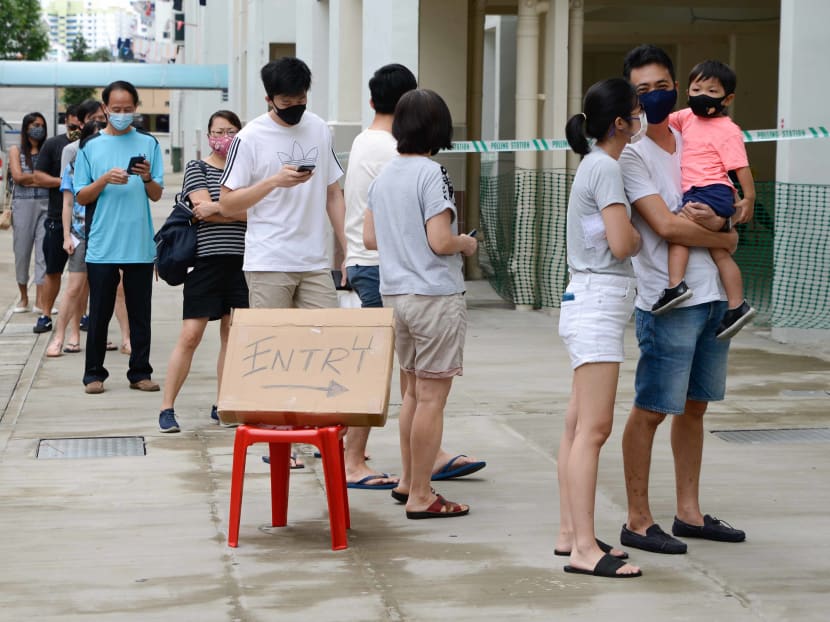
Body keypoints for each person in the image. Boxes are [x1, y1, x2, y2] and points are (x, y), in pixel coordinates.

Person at [617, 44, 746, 555]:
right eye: (642, 89)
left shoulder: (697, 134)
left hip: (716, 298)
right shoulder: (631, 155)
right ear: (632, 96)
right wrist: (725, 238)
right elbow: (667, 224)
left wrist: (730, 222)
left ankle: (689, 513)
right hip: (668, 301)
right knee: (651, 409)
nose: (655, 95)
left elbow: (736, 205)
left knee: (694, 409)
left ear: (678, 85)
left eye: (661, 85)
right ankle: (638, 518)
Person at [344, 63, 486, 490]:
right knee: (432, 399)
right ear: (438, 129)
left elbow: (369, 236)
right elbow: (441, 241)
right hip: (433, 296)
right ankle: (421, 492)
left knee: (410, 394)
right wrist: (466, 243)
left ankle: (409, 481)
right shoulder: (432, 173)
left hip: (394, 294)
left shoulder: (385, 175)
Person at [218, 57, 347, 469]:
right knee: (274, 353)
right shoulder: (251, 137)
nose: (296, 107)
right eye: (287, 101)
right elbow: (227, 201)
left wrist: (345, 248)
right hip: (269, 258)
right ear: (269, 98)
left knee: (327, 347)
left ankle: (320, 432)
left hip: (314, 260)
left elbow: (333, 194)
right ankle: (279, 442)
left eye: (302, 99)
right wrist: (274, 180)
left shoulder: (320, 129)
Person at [554, 78, 643, 579]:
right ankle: (585, 549)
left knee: (577, 426)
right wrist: (634, 230)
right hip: (599, 300)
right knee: (595, 429)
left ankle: (571, 533)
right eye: (636, 110)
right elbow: (621, 243)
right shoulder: (606, 167)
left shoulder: (592, 163)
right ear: (619, 124)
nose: (642, 115)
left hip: (587, 299)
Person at [157, 110, 248, 433]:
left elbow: (254, 213)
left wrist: (221, 210)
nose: (223, 137)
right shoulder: (197, 168)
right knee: (190, 335)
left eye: (230, 131)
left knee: (232, 337)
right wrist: (237, 211)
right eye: (218, 131)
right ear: (208, 135)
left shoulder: (247, 171)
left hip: (243, 264)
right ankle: (167, 407)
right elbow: (202, 210)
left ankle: (223, 405)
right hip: (206, 263)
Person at [653, 60, 756, 339]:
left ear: (728, 98)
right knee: (718, 251)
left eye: (711, 91)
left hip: (711, 190)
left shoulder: (728, 129)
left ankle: (676, 286)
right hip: (699, 191)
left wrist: (749, 197)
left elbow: (740, 166)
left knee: (679, 234)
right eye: (697, 88)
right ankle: (737, 305)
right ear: (687, 91)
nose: (702, 95)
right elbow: (660, 123)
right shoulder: (687, 117)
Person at [74, 80, 164, 395]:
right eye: (116, 109)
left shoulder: (149, 144)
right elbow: (82, 196)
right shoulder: (90, 146)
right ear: (104, 109)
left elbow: (156, 195)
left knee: (141, 313)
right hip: (102, 244)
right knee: (99, 312)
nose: (122, 114)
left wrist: (147, 176)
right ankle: (93, 374)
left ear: (136, 109)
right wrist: (103, 179)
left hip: (139, 244)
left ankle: (140, 372)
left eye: (128, 109)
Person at [46, 100, 109, 357]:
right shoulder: (72, 157)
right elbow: (68, 201)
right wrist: (66, 235)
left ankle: (104, 336)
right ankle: (61, 336)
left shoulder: (111, 159)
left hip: (106, 231)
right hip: (81, 231)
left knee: (105, 290)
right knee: (74, 287)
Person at [32, 105, 81, 334]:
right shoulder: (54, 144)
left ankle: (83, 317)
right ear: (66, 123)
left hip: (84, 222)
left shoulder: (93, 146)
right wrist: (64, 181)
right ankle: (45, 314)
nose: (76, 130)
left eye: (81, 126)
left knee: (82, 276)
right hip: (56, 217)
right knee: (53, 271)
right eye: (72, 126)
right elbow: (38, 176)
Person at [8, 112, 50, 315]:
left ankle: (41, 301)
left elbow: (51, 179)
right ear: (26, 127)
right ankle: (23, 297)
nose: (38, 128)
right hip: (23, 205)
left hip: (46, 204)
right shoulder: (16, 150)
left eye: (42, 125)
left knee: (44, 254)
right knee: (22, 252)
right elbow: (17, 177)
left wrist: (32, 178)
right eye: (35, 124)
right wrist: (40, 178)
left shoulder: (47, 150)